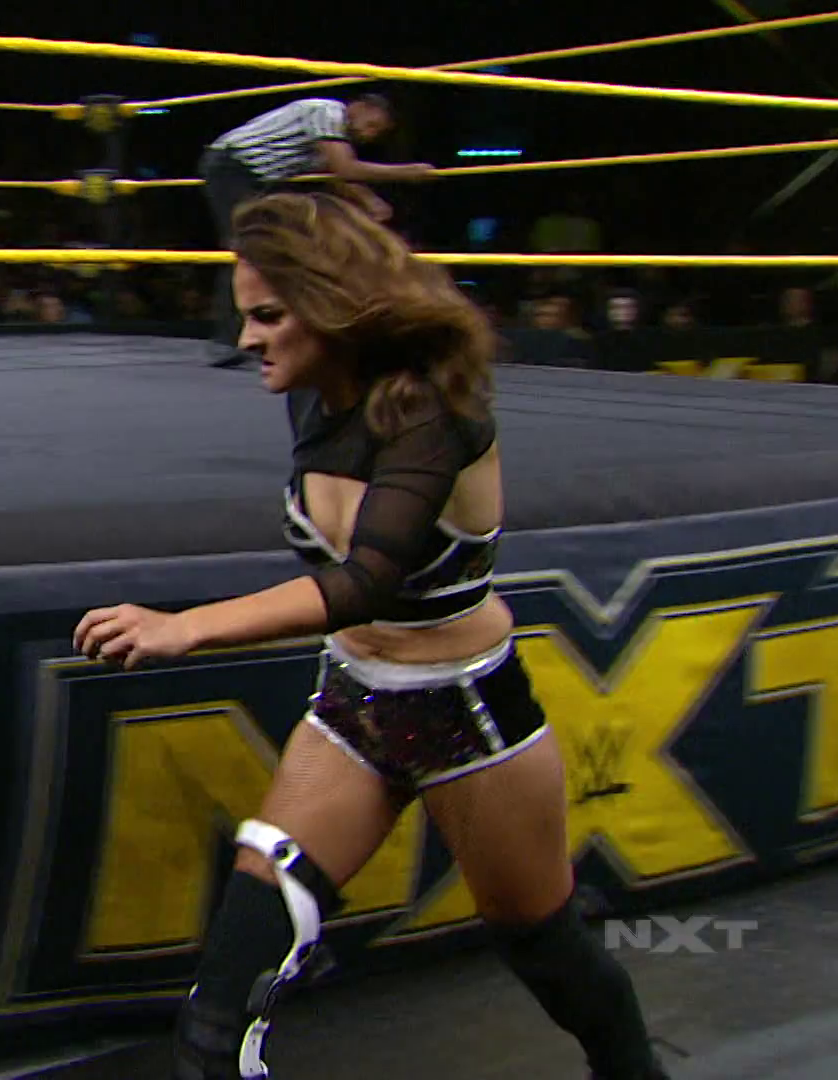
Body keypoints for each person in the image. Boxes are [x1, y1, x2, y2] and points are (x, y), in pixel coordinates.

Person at [72, 193, 669, 1080]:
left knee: (549, 954)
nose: (246, 339)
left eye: (268, 316)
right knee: (213, 1024)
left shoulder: (433, 411)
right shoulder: (313, 395)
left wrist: (186, 628)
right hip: (353, 709)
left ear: (332, 307)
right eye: (245, 316)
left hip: (467, 715)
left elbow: (367, 583)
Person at [201, 95, 435, 365]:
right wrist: (407, 172)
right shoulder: (327, 111)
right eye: (370, 125)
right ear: (359, 108)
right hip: (233, 168)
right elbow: (345, 169)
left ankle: (254, 336)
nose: (368, 135)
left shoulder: (327, 141)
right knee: (249, 250)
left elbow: (336, 174)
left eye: (376, 133)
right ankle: (226, 340)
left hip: (254, 180)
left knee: (271, 249)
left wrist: (369, 201)